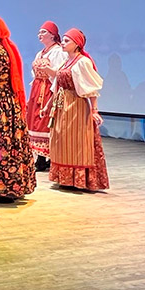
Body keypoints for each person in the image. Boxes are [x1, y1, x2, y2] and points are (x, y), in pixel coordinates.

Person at [0, 14, 37, 202]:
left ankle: (4, 189)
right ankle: (5, 187)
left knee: (0, 143)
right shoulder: (5, 48)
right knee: (7, 143)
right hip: (6, 104)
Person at [45, 28, 109, 192]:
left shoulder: (82, 62)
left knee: (77, 142)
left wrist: (94, 110)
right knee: (61, 141)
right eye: (63, 40)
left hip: (76, 106)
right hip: (61, 105)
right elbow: (57, 85)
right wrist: (48, 105)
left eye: (67, 41)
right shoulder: (65, 61)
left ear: (77, 44)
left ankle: (78, 179)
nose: (63, 43)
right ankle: (64, 178)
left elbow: (91, 88)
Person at [26, 21, 67, 171]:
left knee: (45, 121)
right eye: (39, 32)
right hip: (37, 89)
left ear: (52, 35)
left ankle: (47, 158)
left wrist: (48, 70)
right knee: (35, 121)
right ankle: (40, 157)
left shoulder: (58, 52)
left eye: (43, 32)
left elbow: (59, 73)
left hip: (48, 89)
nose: (40, 34)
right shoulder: (40, 53)